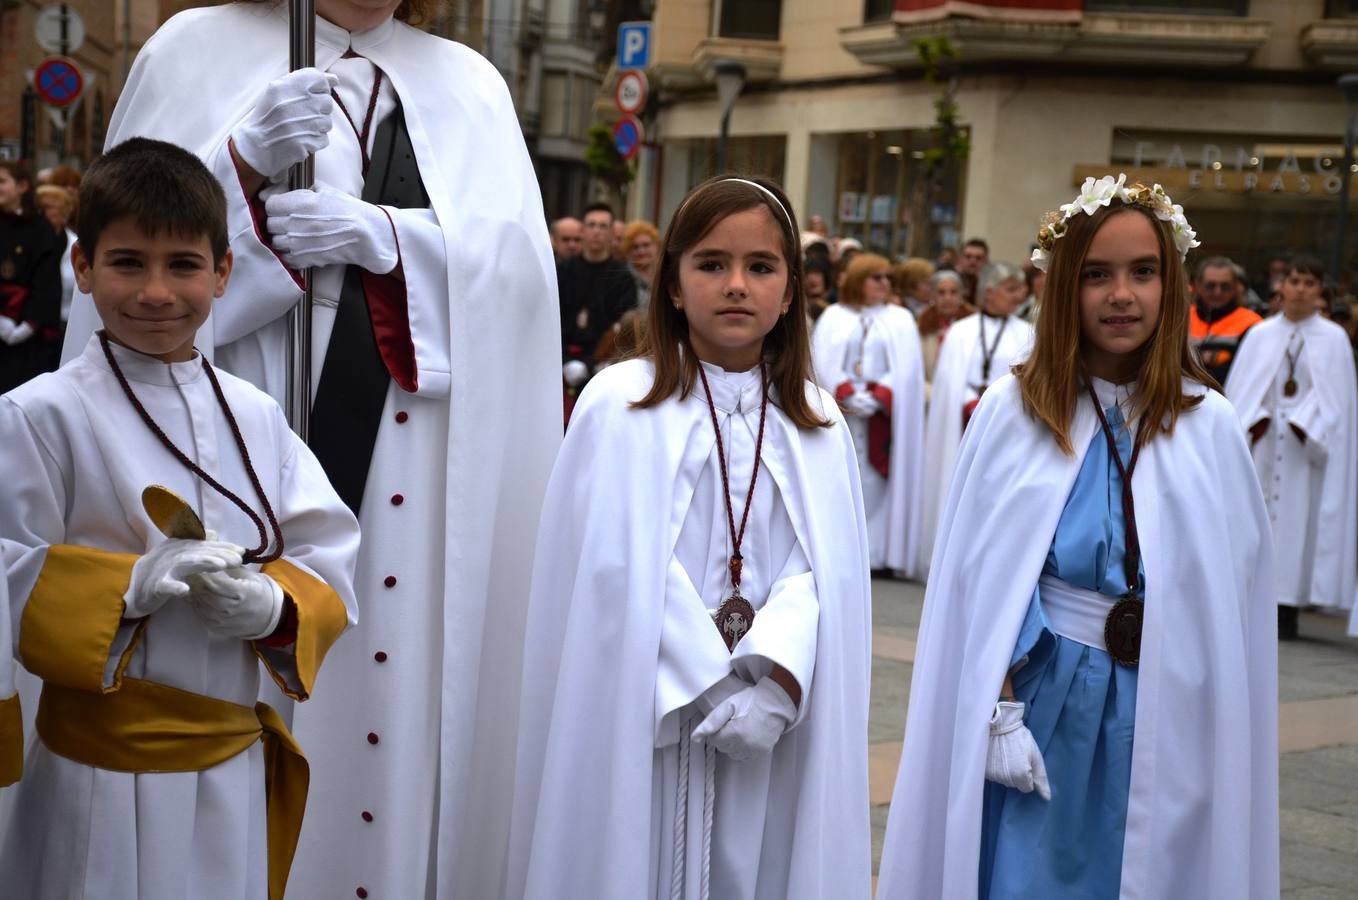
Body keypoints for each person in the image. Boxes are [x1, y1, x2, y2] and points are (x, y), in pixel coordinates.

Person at [59, 3, 563, 897]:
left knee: (397, 703)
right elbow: (129, 253)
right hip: (237, 445)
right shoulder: (195, 49)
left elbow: (521, 282)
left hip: (416, 474)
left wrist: (398, 243)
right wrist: (239, 166)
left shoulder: (471, 84)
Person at [878, 175, 1278, 900]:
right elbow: (980, 579)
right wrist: (997, 705)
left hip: (1171, 697)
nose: (1121, 295)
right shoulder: (1017, 411)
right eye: (1096, 275)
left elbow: (1232, 596)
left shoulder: (1207, 424)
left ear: (1172, 283)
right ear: (1064, 288)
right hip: (1045, 696)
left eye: (1143, 272)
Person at [0, 137, 360, 899]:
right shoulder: (39, 415)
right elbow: (6, 565)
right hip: (95, 775)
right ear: (83, 268)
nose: (157, 292)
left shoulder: (257, 414)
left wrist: (273, 605)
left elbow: (324, 544)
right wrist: (125, 589)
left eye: (184, 265)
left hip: (230, 767)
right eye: (128, 262)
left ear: (224, 273)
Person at [509, 176, 872, 900]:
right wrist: (707, 677)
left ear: (791, 289)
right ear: (673, 284)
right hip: (650, 715)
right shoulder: (618, 406)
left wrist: (777, 684)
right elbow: (610, 568)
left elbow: (822, 573)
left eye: (760, 267)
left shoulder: (819, 423)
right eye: (711, 264)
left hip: (773, 712)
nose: (736, 285)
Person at [1225, 255, 1357, 640]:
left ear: (1319, 292)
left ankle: (1288, 609)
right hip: (1264, 440)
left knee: (1300, 522)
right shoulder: (1261, 334)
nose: (1300, 288)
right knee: (1258, 516)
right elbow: (1243, 391)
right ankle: (1251, 598)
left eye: (1308, 282)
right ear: (1281, 287)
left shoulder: (1334, 339)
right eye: (1294, 281)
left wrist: (1309, 422)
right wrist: (1256, 416)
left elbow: (1336, 401)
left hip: (1305, 446)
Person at [813, 252, 926, 577]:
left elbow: (906, 369)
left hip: (881, 417)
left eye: (887, 277)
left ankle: (877, 553)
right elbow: (822, 360)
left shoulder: (900, 318)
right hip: (844, 413)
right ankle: (838, 551)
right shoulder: (834, 315)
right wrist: (845, 391)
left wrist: (879, 396)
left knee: (878, 484)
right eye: (877, 277)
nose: (884, 283)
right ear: (860, 280)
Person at [917, 261, 1033, 575]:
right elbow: (949, 381)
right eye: (1011, 289)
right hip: (961, 425)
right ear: (990, 292)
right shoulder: (961, 331)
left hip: (1005, 425)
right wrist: (971, 402)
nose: (1018, 295)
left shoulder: (1026, 332)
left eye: (1019, 289)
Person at [0, 162, 62, 394]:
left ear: (22, 186)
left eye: (2, 181)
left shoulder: (39, 228)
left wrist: (27, 325)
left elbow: (46, 282)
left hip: (26, 339)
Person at [560, 201, 638, 371]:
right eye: (591, 225)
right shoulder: (563, 271)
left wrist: (596, 362)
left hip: (602, 364)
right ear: (582, 230)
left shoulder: (622, 276)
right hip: (560, 361)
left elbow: (624, 326)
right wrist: (564, 361)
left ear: (611, 233)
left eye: (603, 226)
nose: (596, 231)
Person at [1190, 255, 1261, 383]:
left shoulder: (1252, 323)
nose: (1218, 292)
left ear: (1235, 288)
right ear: (1198, 285)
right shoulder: (1181, 317)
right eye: (1210, 286)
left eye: (1225, 286)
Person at [916, 269, 976, 394]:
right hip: (930, 397)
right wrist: (935, 396)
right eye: (941, 293)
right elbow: (915, 373)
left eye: (953, 292)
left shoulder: (976, 327)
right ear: (932, 296)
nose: (947, 298)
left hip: (967, 399)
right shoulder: (922, 328)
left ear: (961, 296)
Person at [34, 184, 78, 326]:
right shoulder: (27, 242)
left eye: (48, 207)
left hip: (66, 322)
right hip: (29, 325)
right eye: (38, 207)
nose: (41, 212)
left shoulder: (76, 245)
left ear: (65, 212)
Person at [622, 218, 661, 309]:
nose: (641, 251)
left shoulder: (666, 272)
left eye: (646, 245)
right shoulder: (623, 277)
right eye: (635, 247)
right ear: (628, 250)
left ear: (657, 246)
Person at [803, 255, 833, 320]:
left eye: (817, 273)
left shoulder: (835, 310)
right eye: (808, 274)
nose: (812, 279)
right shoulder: (798, 311)